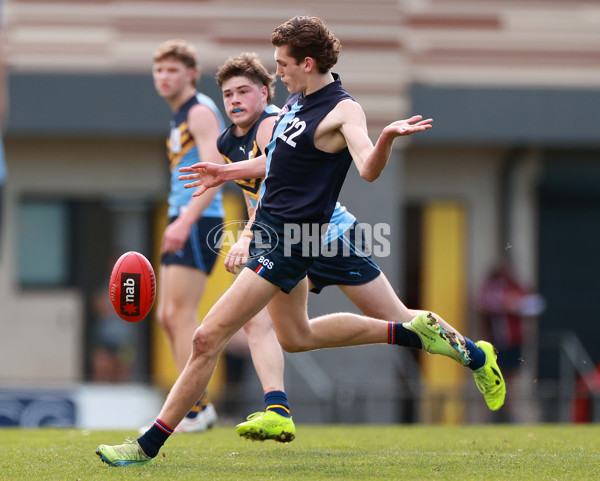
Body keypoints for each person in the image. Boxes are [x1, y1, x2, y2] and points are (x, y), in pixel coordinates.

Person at [97, 17, 505, 466]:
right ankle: (465, 350)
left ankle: (146, 446)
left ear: (307, 63)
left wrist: (386, 137)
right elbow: (275, 165)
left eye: (282, 64)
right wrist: (224, 172)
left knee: (206, 337)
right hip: (284, 234)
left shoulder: (343, 110)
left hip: (293, 241)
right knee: (297, 336)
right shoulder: (296, 99)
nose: (278, 73)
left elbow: (367, 168)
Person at [150, 39, 225, 432]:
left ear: (191, 74)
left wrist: (183, 222)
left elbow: (215, 175)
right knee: (167, 315)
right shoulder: (179, 115)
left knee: (180, 314)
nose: (164, 77)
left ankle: (194, 410)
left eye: (173, 70)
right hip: (182, 216)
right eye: (159, 70)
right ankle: (198, 406)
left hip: (197, 219)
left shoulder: (199, 111)